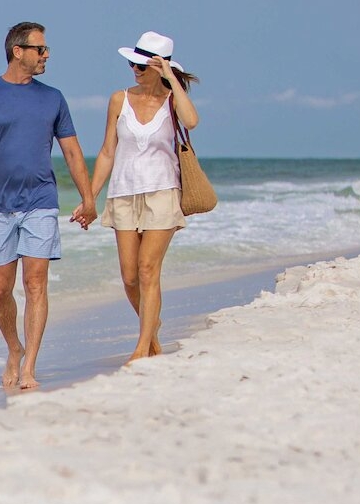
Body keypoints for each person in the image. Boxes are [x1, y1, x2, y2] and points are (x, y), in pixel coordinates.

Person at [0, 21, 96, 391]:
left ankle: (30, 366)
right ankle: (13, 348)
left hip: (40, 202)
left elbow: (71, 149)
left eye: (46, 49)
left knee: (35, 284)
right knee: (1, 291)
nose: (46, 55)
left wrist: (88, 198)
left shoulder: (53, 98)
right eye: (40, 49)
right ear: (17, 51)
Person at [86, 31, 201, 364]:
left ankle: (142, 347)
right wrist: (91, 197)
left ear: (159, 65)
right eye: (132, 62)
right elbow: (108, 151)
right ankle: (152, 326)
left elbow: (192, 121)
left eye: (142, 64)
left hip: (163, 193)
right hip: (123, 193)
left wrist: (170, 79)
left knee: (149, 270)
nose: (134, 68)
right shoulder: (118, 99)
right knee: (130, 276)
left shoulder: (171, 101)